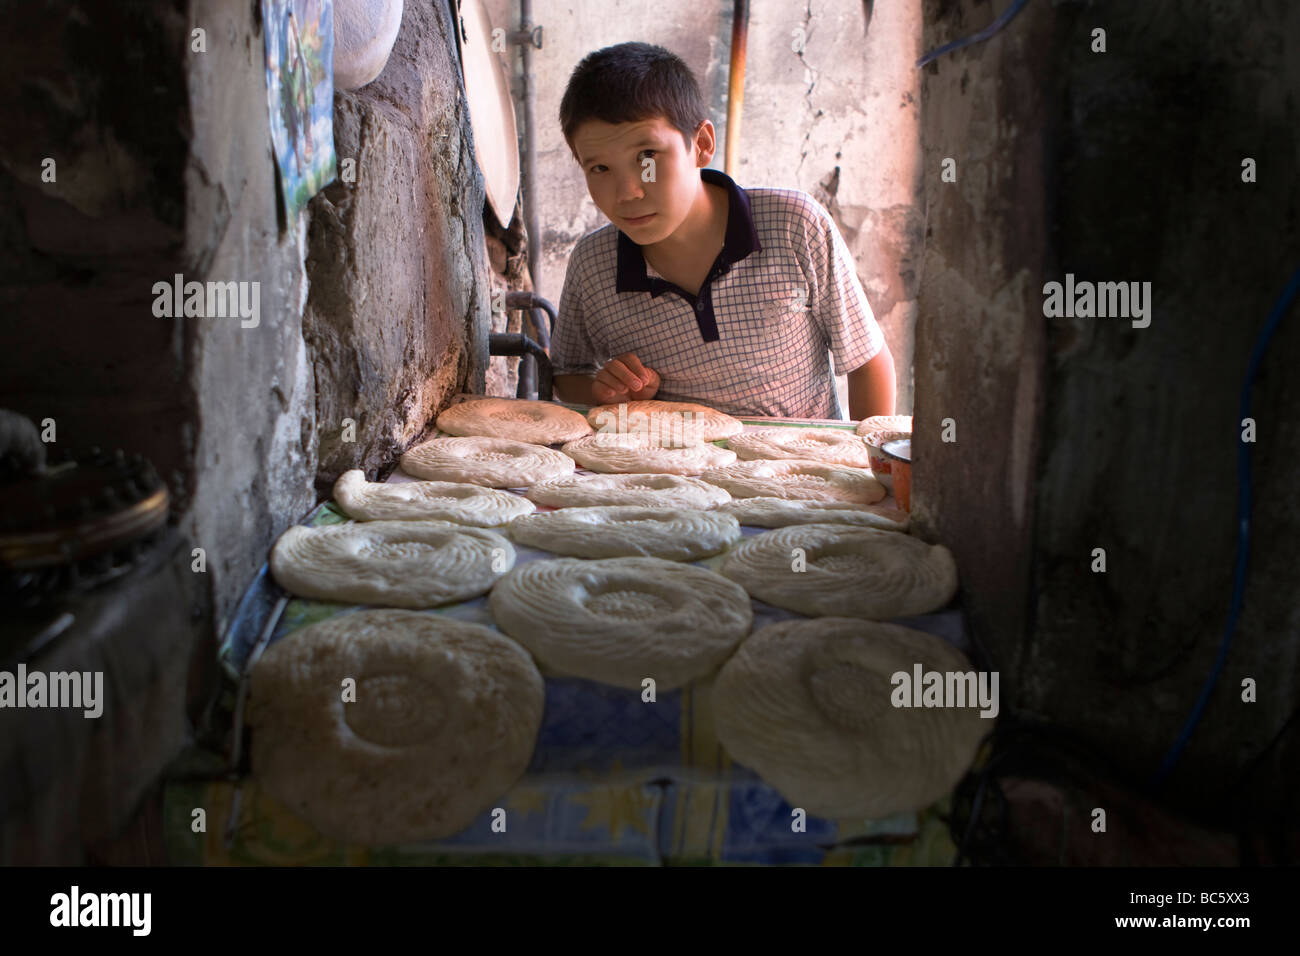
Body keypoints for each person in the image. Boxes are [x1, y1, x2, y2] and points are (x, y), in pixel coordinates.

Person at [549, 41, 896, 421]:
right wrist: (607, 391)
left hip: (798, 469)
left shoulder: (794, 226)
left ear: (701, 145)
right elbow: (569, 373)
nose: (628, 192)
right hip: (670, 472)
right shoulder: (593, 265)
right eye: (600, 169)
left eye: (647, 158)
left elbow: (867, 362)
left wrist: (870, 472)